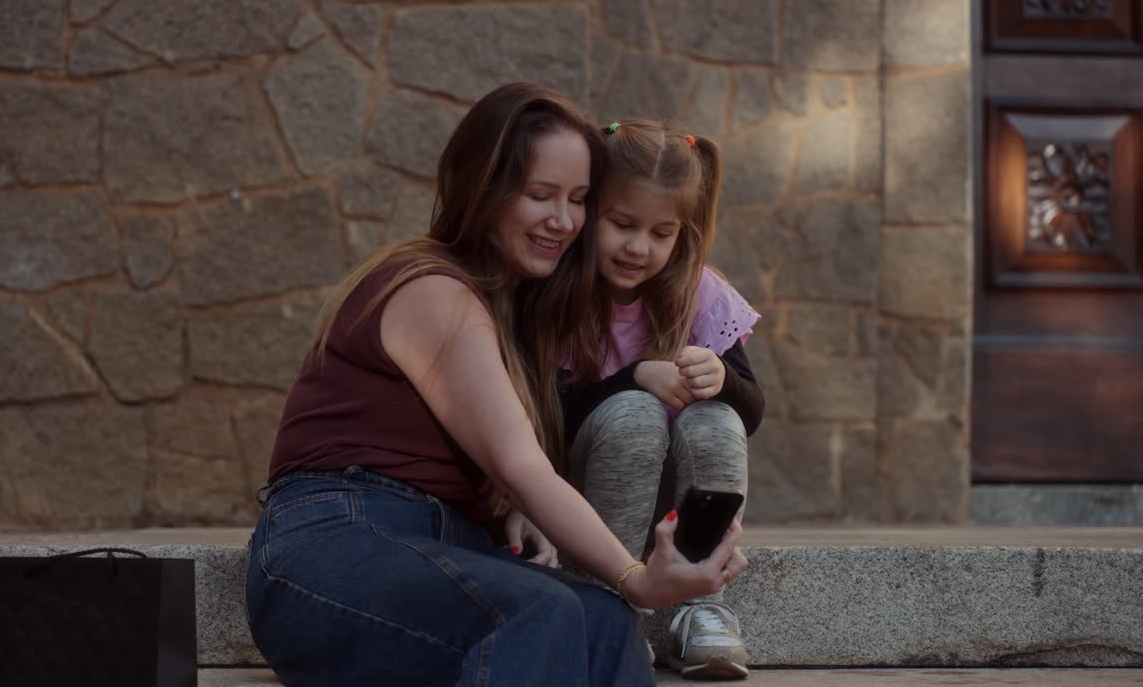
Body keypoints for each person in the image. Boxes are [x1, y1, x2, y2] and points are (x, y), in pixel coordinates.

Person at [243, 85, 748, 687]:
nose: (564, 221)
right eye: (541, 195)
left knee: (607, 624)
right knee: (545, 609)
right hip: (333, 541)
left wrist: (503, 509)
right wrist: (637, 577)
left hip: (446, 546)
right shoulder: (431, 287)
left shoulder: (518, 312)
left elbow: (509, 468)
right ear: (483, 188)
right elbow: (519, 464)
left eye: (580, 200)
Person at [560, 119, 765, 681]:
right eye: (621, 224)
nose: (637, 247)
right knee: (634, 411)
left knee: (717, 417)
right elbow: (548, 419)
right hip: (587, 503)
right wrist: (633, 378)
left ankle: (702, 605)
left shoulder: (701, 294)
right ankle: (606, 604)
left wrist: (721, 376)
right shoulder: (559, 294)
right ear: (589, 210)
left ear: (684, 232)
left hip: (675, 508)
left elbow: (753, 410)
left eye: (660, 233)